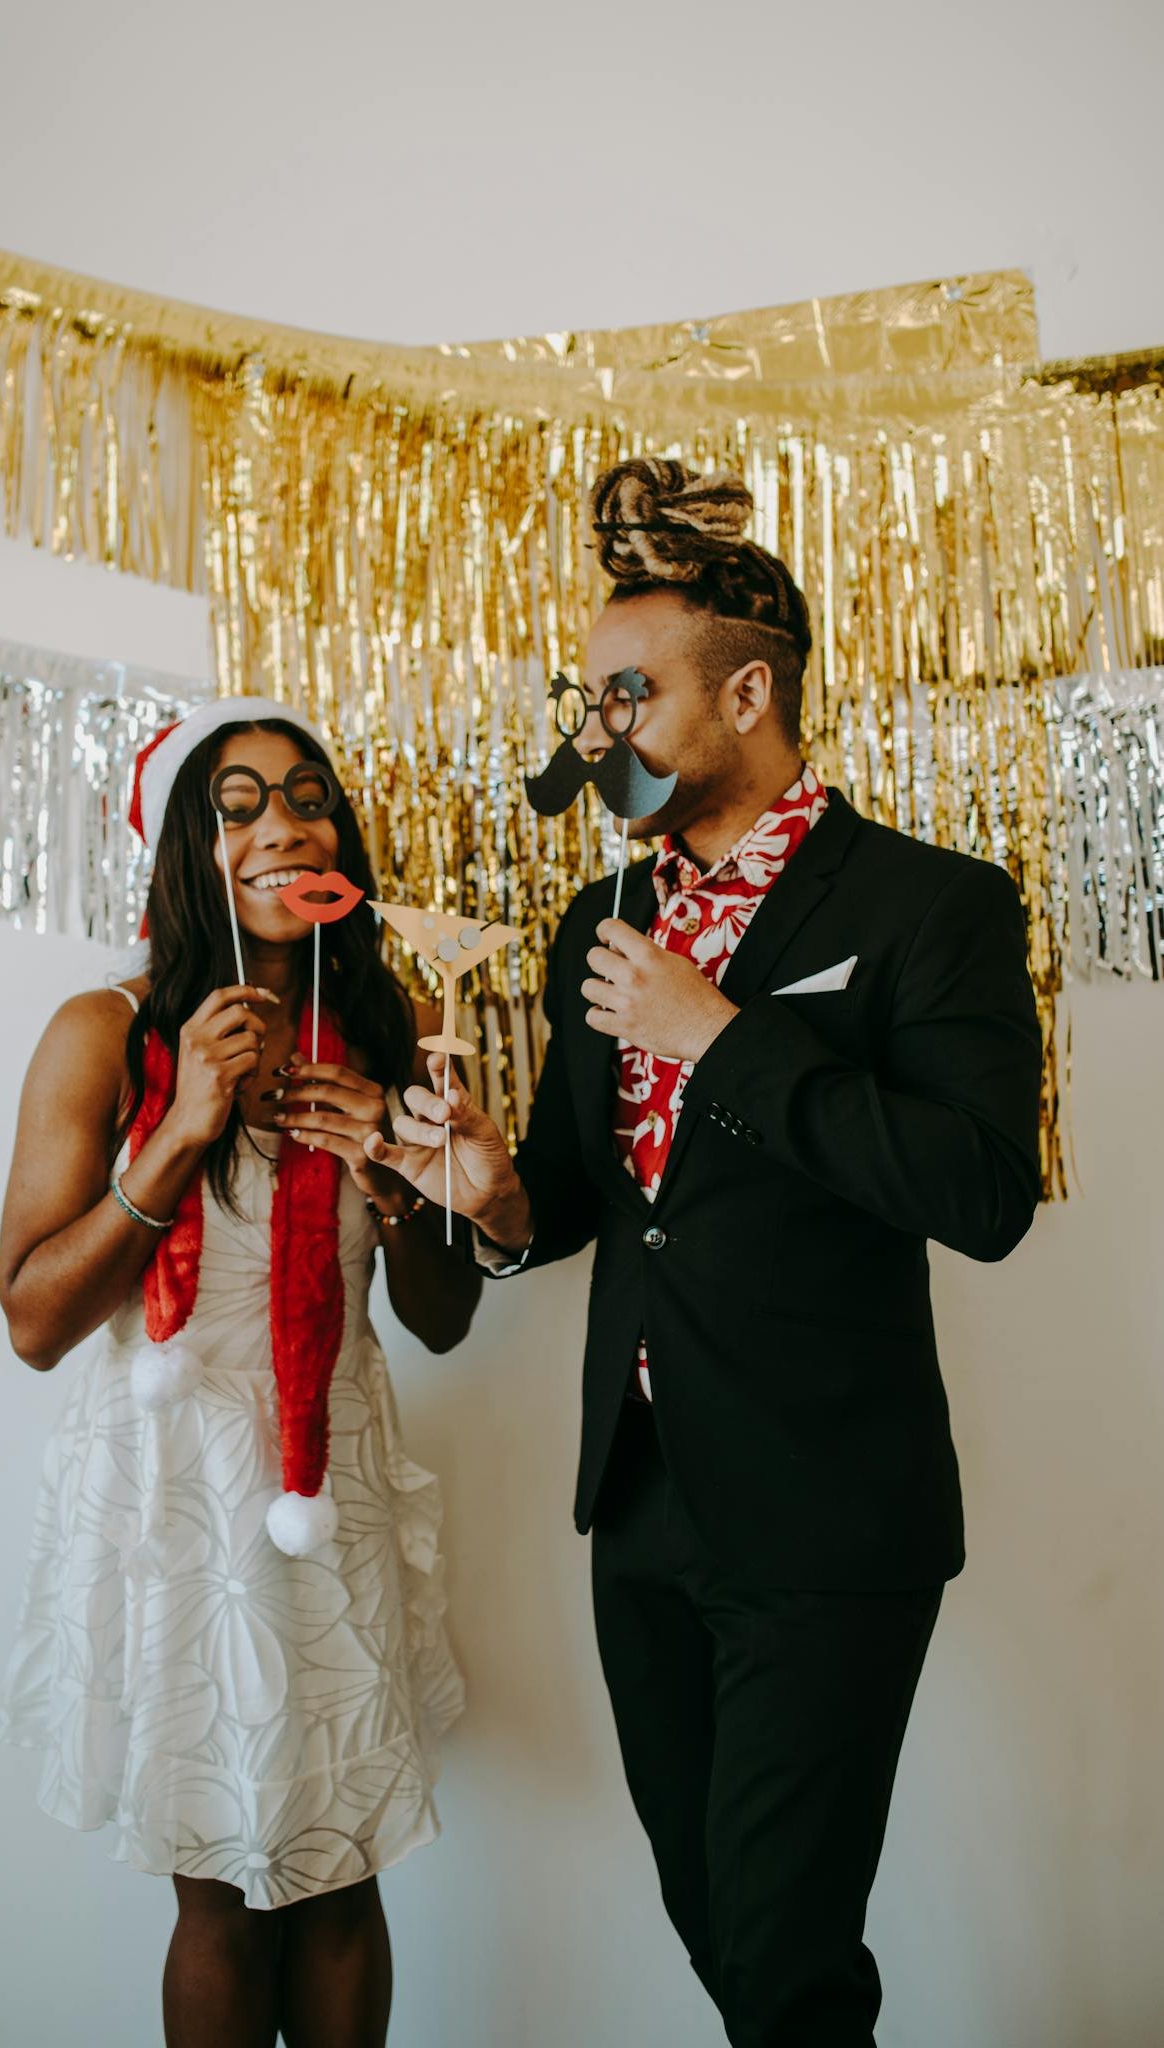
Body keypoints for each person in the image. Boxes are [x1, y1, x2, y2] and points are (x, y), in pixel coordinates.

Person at [367, 458, 1044, 2047]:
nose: (596, 734)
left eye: (628, 695)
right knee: (720, 1925)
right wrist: (490, 1195)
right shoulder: (597, 920)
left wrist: (719, 1037)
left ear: (747, 692)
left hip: (826, 1504)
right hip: (644, 1503)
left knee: (784, 1941)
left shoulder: (931, 904)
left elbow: (979, 1191)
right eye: (587, 702)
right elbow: (583, 1201)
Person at [0, 698, 476, 2048]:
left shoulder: (399, 1021)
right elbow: (33, 1318)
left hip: (333, 1475)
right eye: (240, 804)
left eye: (307, 798)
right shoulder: (105, 1028)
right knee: (216, 1891)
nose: (283, 825)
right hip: (173, 1495)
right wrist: (183, 1130)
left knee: (341, 1880)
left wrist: (395, 1164)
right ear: (185, 850)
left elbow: (440, 1316)